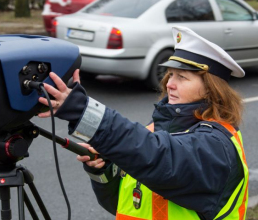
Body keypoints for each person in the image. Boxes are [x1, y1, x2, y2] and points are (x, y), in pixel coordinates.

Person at [38, 26, 249, 220]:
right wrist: (104, 168)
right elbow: (123, 204)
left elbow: (158, 157)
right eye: (170, 74)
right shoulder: (160, 128)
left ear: (212, 89)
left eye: (182, 77)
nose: (169, 84)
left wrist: (82, 111)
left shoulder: (216, 145)